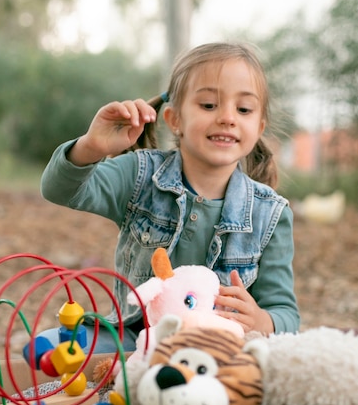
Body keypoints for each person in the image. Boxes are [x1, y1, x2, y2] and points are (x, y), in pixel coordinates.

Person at [40, 42, 300, 353]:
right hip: (134, 342)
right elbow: (59, 189)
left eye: (243, 109)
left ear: (258, 128)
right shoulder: (139, 175)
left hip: (215, 349)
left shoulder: (269, 214)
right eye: (208, 105)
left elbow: (286, 315)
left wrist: (260, 320)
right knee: (54, 351)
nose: (228, 118)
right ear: (174, 119)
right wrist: (92, 146)